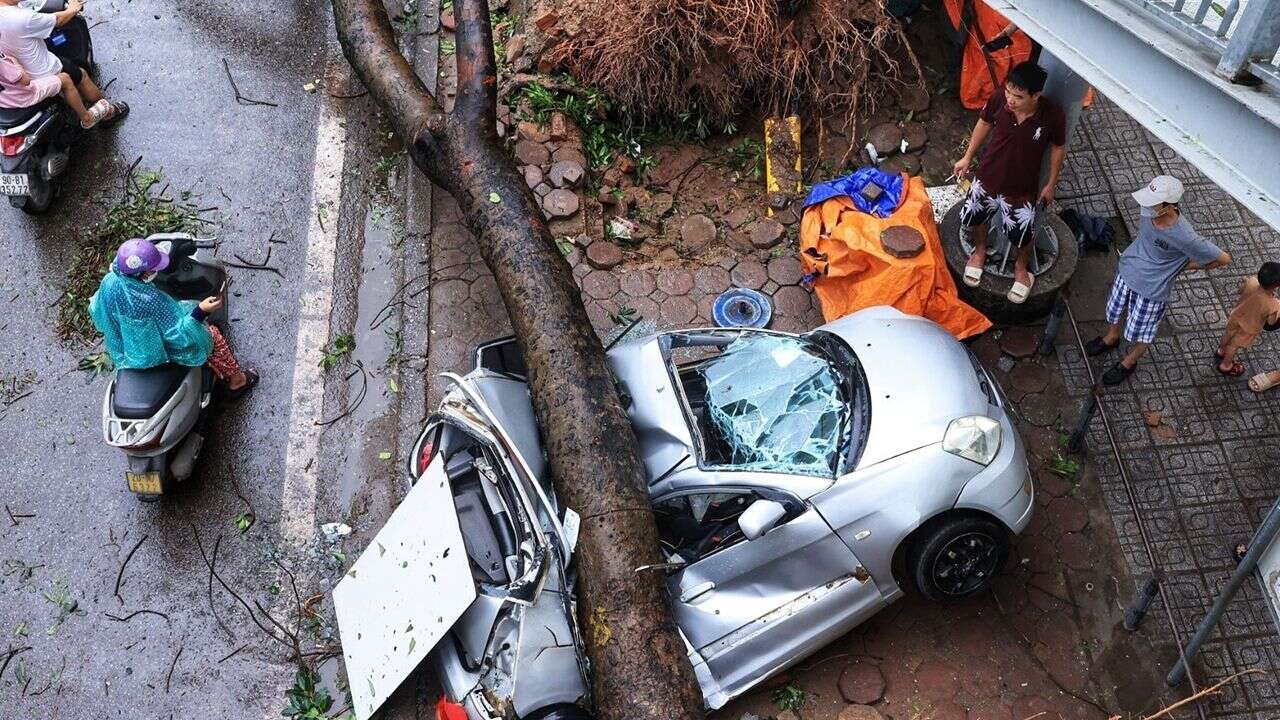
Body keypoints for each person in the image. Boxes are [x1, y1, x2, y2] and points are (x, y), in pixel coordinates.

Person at [1085, 175, 1230, 385]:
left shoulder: (1185, 236)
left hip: (1152, 290)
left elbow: (1223, 259)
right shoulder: (1148, 210)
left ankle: (1129, 362)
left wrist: (1180, 267)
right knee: (1114, 309)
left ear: (1168, 205)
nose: (1146, 205)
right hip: (1128, 270)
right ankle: (1111, 337)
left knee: (1143, 331)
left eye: (1153, 202)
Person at [952, 61, 1066, 304]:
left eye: (1018, 96)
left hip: (1022, 188)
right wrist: (967, 157)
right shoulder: (998, 100)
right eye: (1008, 92)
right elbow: (984, 123)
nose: (1010, 100)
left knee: (1023, 232)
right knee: (977, 217)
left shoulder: (1053, 115)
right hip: (987, 177)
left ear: (1036, 95)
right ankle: (979, 251)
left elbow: (1058, 147)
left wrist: (1051, 184)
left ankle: (1021, 269)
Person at [89, 238, 259, 399]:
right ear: (140, 273)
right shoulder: (149, 300)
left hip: (124, 351)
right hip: (153, 354)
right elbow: (179, 335)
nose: (155, 272)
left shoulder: (109, 281)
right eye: (152, 270)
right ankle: (237, 381)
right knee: (211, 335)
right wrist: (200, 311)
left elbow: (97, 312)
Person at [0, 0, 128, 126]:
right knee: (79, 75)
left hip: (10, 82)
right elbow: (58, 20)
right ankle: (105, 114)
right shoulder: (23, 18)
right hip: (41, 73)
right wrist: (73, 8)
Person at [0, 51, 106, 127]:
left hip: (4, 99)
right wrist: (16, 63)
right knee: (65, 79)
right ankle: (86, 117)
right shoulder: (2, 62)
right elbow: (25, 81)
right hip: (23, 96)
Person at [1215, 262, 1280, 377]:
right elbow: (1271, 322)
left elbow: (1240, 291)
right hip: (1249, 327)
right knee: (1233, 346)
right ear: (1277, 285)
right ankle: (1226, 365)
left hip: (1236, 316)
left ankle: (1221, 350)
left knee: (1227, 334)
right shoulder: (1273, 304)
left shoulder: (1252, 281)